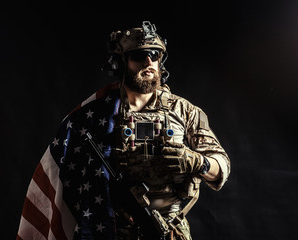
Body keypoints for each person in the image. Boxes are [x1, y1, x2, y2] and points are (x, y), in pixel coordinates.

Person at [17, 21, 230, 240]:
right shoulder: (98, 115)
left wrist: (197, 161)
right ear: (121, 63)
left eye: (155, 55)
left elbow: (221, 166)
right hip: (110, 229)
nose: (149, 62)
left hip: (169, 230)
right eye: (139, 56)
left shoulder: (185, 111)